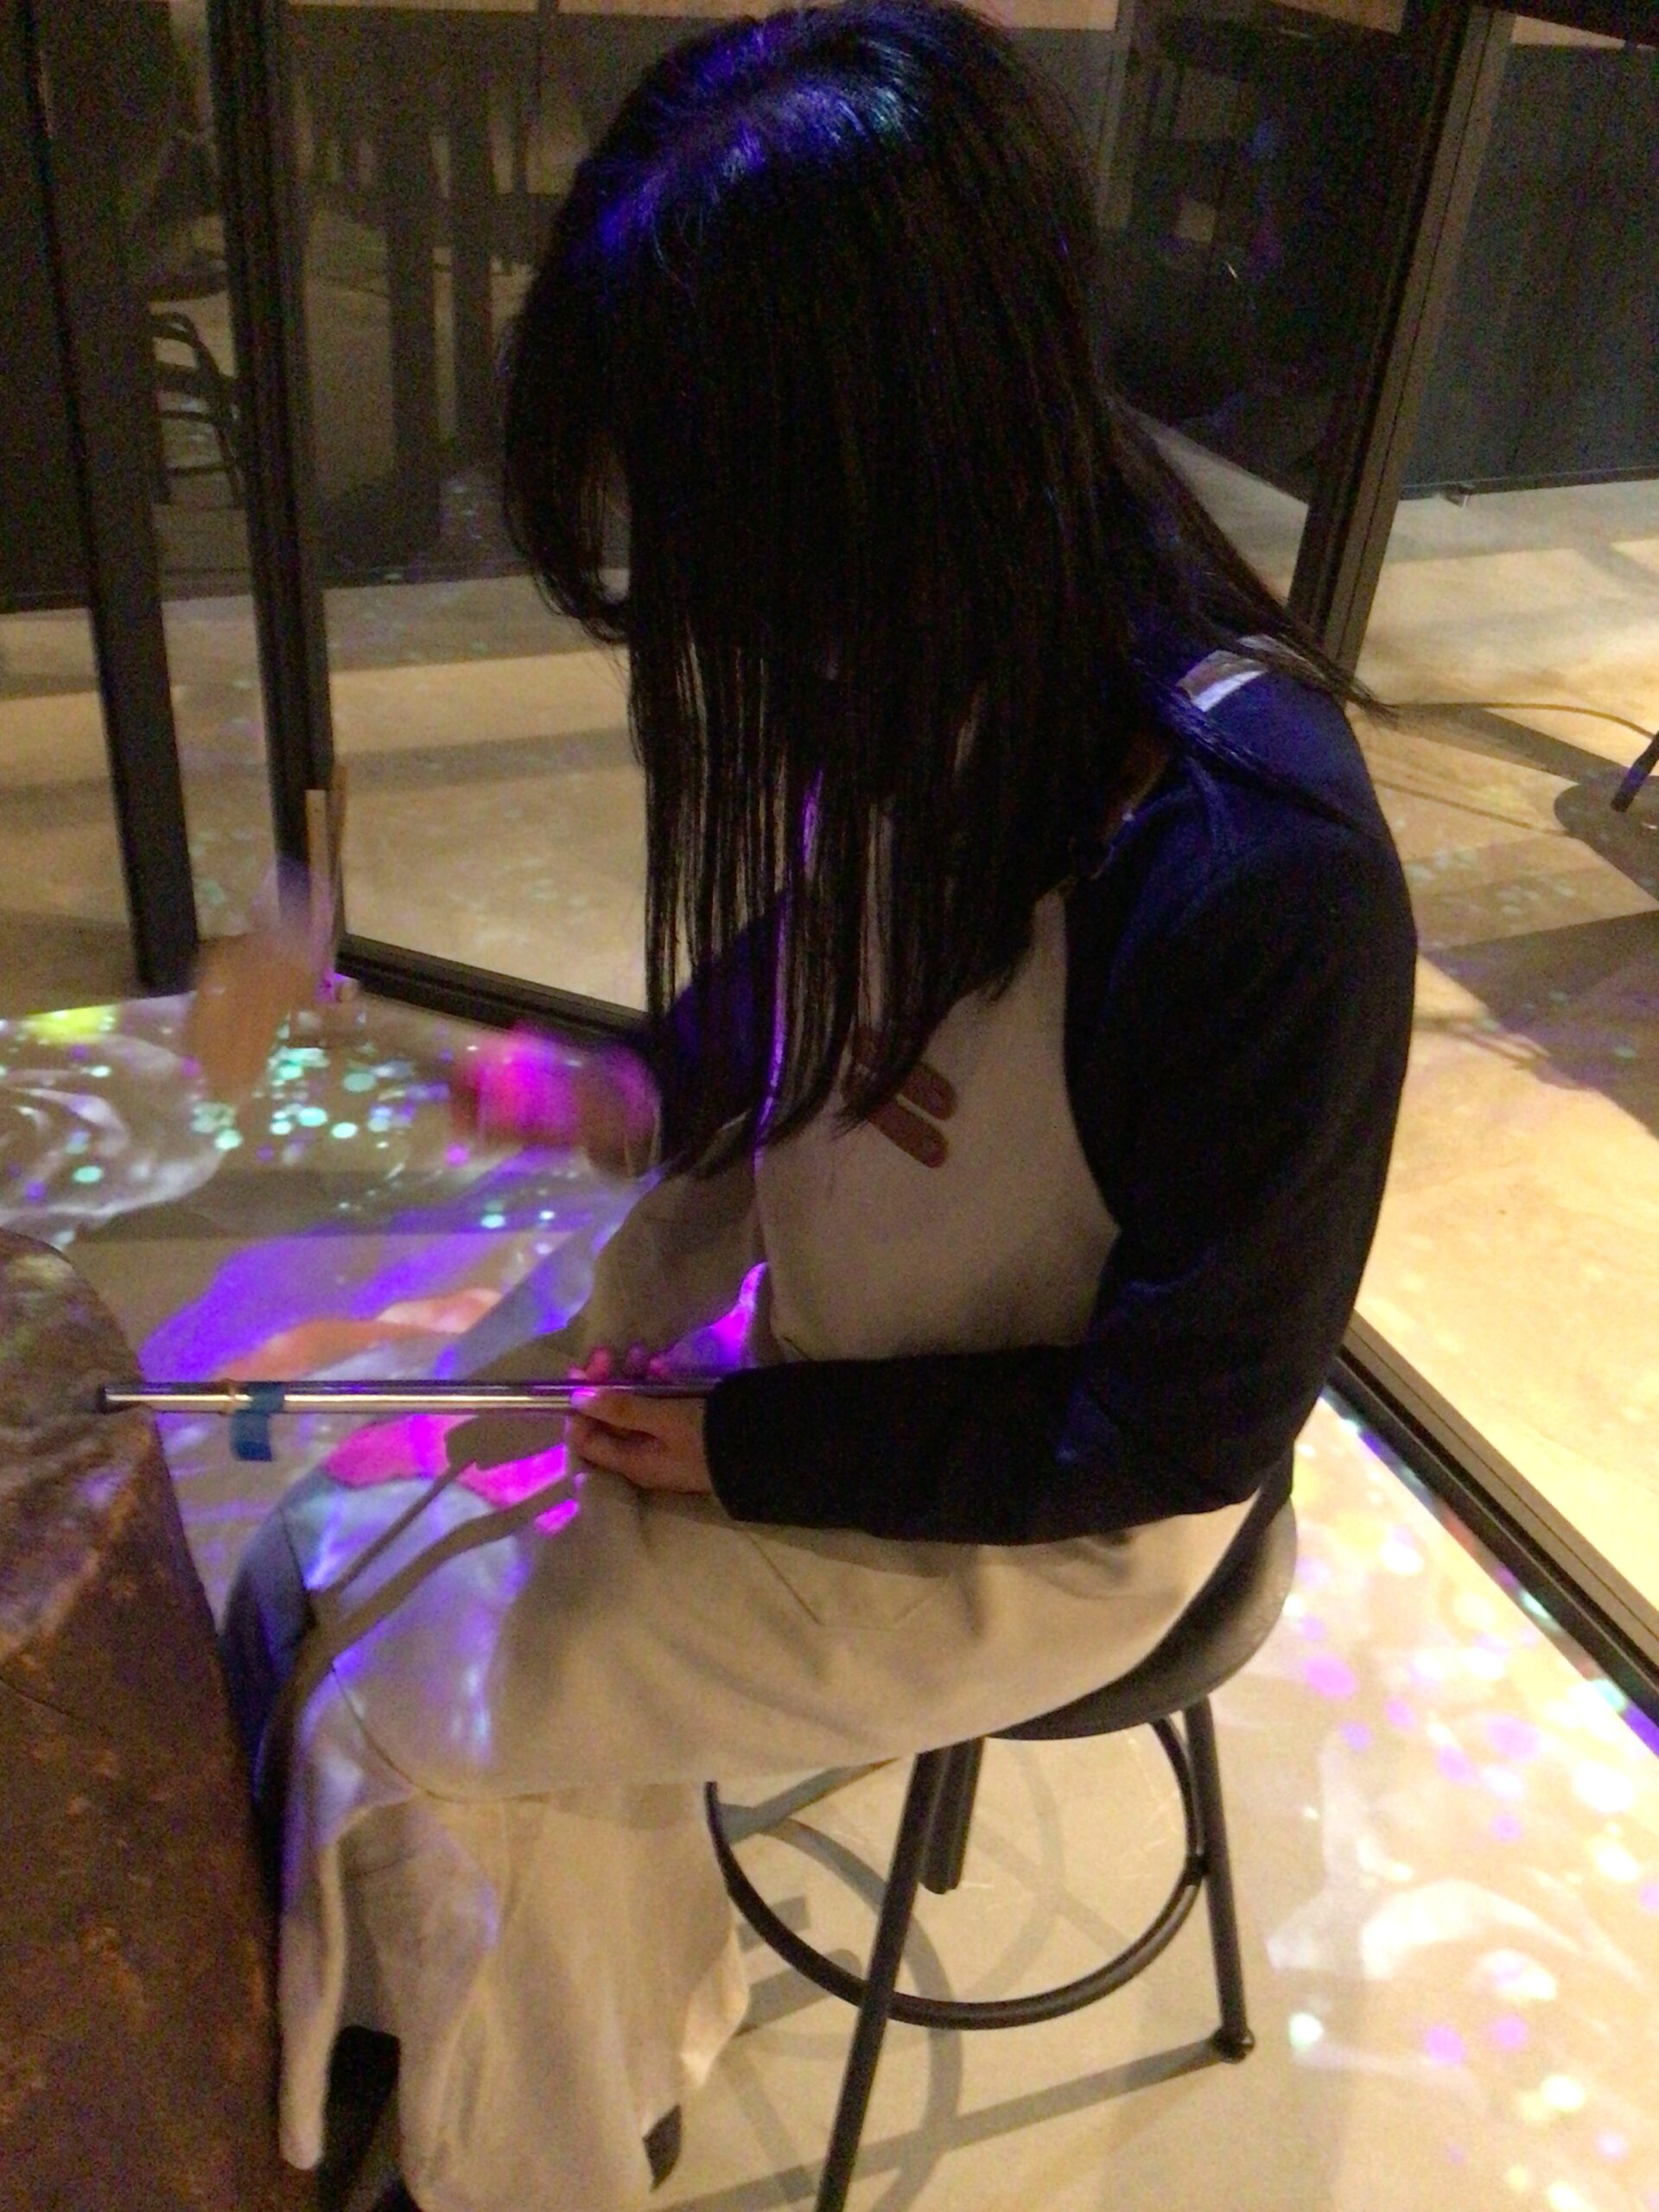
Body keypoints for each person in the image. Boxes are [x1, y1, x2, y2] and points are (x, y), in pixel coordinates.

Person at [220, 6, 1416, 2208]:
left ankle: (537, 2156)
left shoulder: (1257, 874)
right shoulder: (957, 627)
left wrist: (759, 1447)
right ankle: (620, 2046)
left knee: (426, 1708)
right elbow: (826, 960)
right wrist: (617, 1085)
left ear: (874, 473)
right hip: (847, 1349)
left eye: (705, 522)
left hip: (1047, 1510)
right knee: (344, 1543)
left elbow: (1172, 1433)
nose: (696, 596)